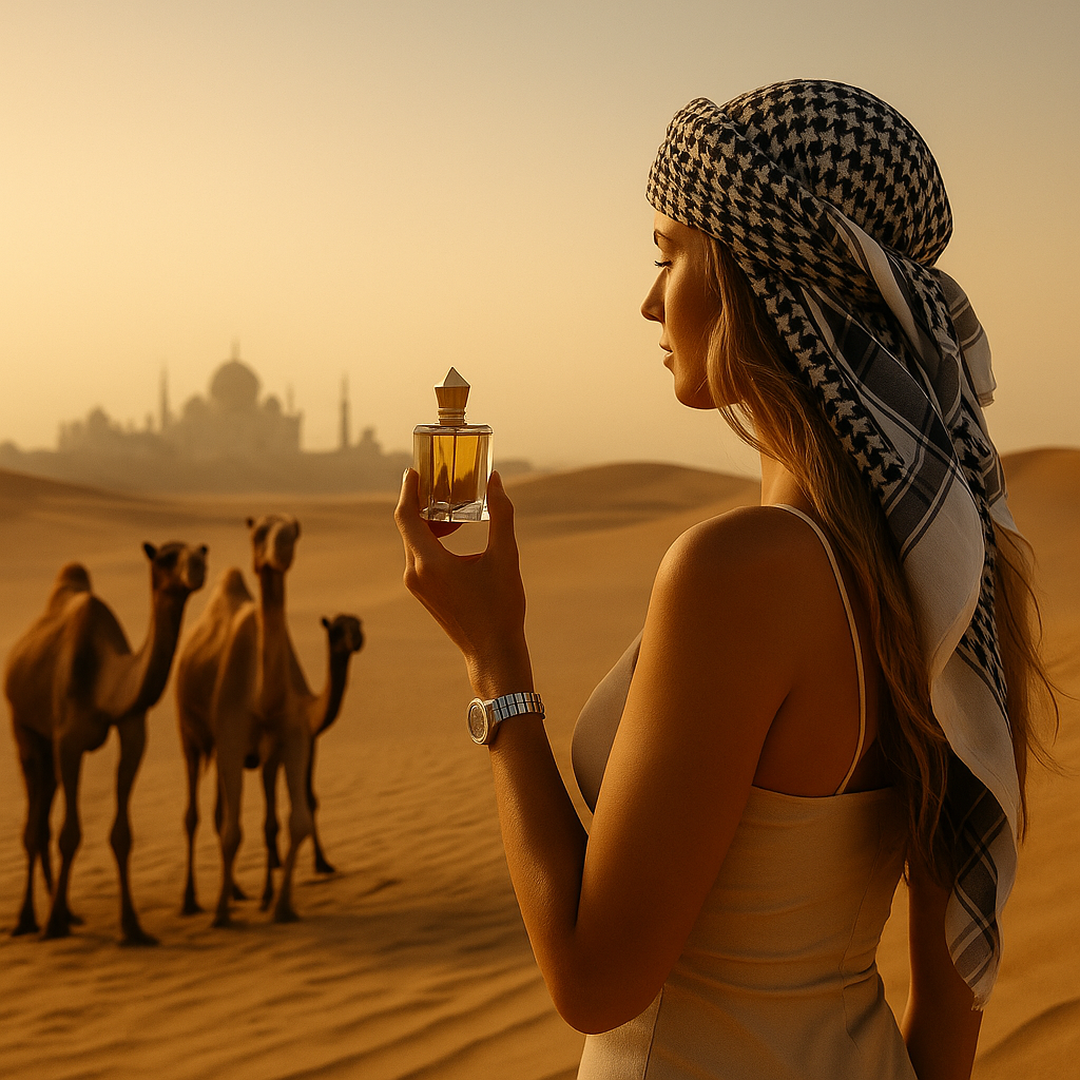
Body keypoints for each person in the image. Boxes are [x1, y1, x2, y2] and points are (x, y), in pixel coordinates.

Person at [394, 79, 1054, 1080]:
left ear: (757, 276)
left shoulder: (745, 574)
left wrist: (497, 658)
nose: (650, 299)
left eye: (669, 254)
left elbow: (596, 981)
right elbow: (948, 1013)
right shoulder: (951, 571)